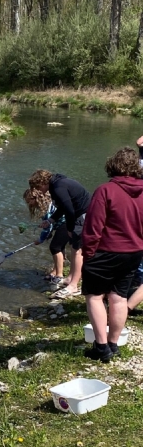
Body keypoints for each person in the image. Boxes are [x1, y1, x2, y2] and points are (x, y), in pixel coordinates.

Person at [81, 147, 143, 362]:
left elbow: (93, 227)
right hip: (134, 252)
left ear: (112, 165)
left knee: (95, 296)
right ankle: (113, 343)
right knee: (119, 298)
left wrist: (88, 254)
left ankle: (101, 347)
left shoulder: (106, 190)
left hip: (106, 252)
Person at [29, 170, 91, 299]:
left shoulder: (58, 187)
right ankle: (70, 279)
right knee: (75, 249)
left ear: (42, 182)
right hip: (80, 214)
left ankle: (73, 286)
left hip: (84, 215)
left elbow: (69, 208)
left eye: (38, 187)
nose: (39, 191)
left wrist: (70, 227)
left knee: (77, 251)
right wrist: (51, 220)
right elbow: (63, 207)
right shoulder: (58, 184)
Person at [23, 188, 69, 285]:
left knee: (55, 247)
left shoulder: (47, 207)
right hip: (63, 224)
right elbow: (49, 224)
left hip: (67, 224)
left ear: (36, 198)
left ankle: (59, 276)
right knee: (60, 247)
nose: (29, 204)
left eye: (29, 201)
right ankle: (55, 271)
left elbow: (49, 225)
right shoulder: (46, 205)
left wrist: (41, 239)